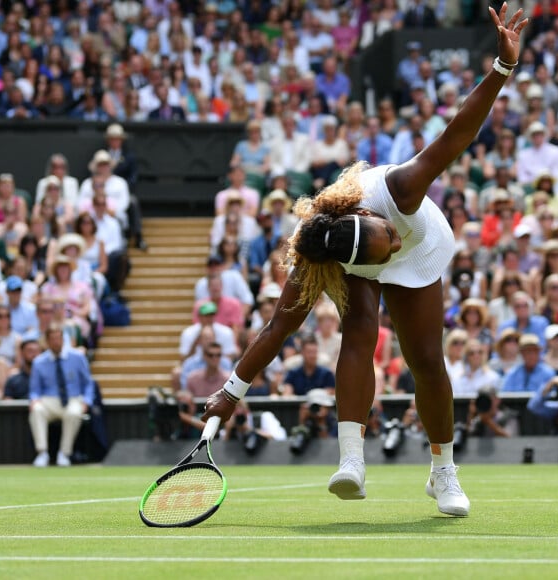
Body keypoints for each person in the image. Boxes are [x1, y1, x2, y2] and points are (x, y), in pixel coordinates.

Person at [202, 5, 528, 517]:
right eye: (382, 250)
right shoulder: (322, 255)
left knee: (425, 361)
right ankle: (350, 462)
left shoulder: (399, 189)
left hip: (424, 249)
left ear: (368, 215)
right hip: (356, 262)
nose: (389, 245)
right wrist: (230, 391)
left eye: (385, 240)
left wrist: (502, 68)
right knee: (358, 333)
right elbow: (278, 326)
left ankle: (443, 473)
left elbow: (456, 135)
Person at [28, 323, 95, 467]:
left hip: (73, 398)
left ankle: (64, 453)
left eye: (58, 338)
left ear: (63, 339)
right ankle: (42, 453)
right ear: (47, 341)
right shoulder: (39, 362)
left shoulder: (77, 357)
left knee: (74, 413)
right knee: (37, 410)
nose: (56, 342)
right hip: (49, 400)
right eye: (52, 339)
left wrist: (87, 402)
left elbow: (88, 383)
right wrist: (34, 400)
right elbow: (34, 390)